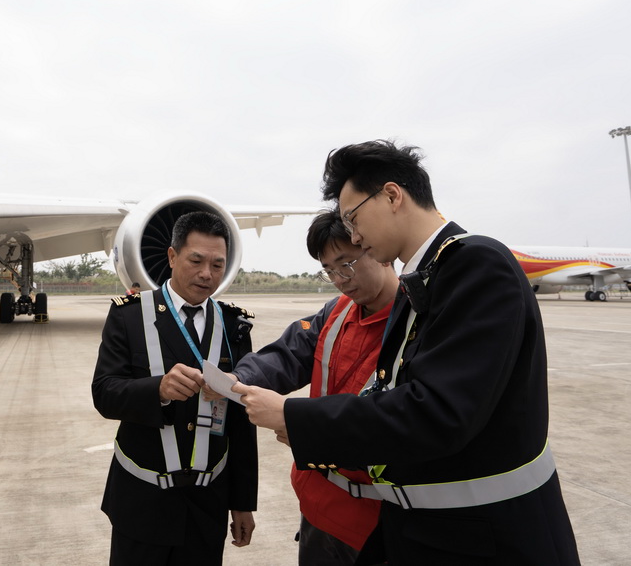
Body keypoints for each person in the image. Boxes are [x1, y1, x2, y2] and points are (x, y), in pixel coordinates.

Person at [233, 140, 580, 565]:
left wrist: (292, 416)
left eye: (353, 219)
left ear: (393, 195)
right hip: (429, 531)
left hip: (485, 539)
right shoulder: (427, 278)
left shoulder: (476, 265)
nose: (355, 234)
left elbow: (436, 412)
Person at [207, 209, 398, 565]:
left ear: (376, 247)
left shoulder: (415, 323)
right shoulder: (337, 312)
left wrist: (305, 425)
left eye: (347, 264)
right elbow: (285, 356)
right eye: (329, 270)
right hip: (318, 509)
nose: (340, 279)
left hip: (380, 522)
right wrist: (237, 380)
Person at [92, 211, 258, 565]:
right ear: (171, 256)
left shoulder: (234, 325)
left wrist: (243, 503)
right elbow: (104, 393)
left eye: (217, 264)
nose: (206, 274)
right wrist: (158, 390)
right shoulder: (130, 316)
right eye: (196, 260)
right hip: (142, 502)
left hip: (207, 505)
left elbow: (241, 423)